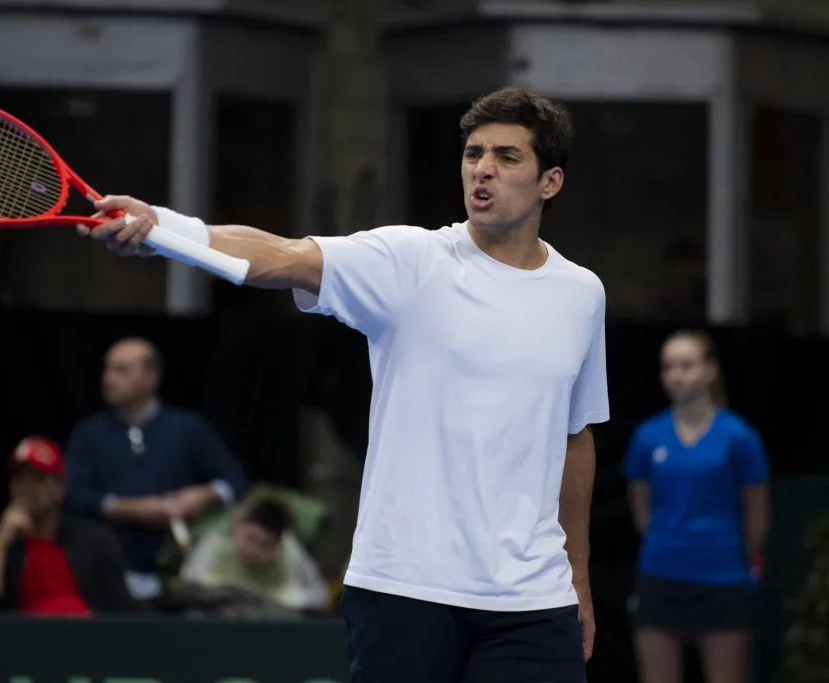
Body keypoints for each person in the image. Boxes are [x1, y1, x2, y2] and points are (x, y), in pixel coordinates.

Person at [79, 87, 608, 683]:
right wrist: (163, 228)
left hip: (533, 603)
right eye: (473, 153)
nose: (482, 168)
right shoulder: (410, 260)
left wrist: (578, 579)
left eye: (507, 157)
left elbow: (574, 435)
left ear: (550, 182)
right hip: (405, 591)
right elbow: (281, 255)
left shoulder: (582, 294)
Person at [624, 330, 770, 683]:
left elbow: (758, 515)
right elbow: (641, 508)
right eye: (668, 366)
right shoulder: (647, 437)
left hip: (722, 581)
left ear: (710, 370)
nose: (676, 374)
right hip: (660, 578)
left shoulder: (739, 437)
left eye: (687, 365)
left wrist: (736, 558)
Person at [65, 337, 247, 601]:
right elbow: (73, 494)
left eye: (121, 370)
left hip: (176, 572)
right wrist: (134, 508)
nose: (108, 379)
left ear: (151, 376)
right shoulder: (89, 433)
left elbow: (234, 481)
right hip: (105, 573)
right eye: (107, 369)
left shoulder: (187, 428)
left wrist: (202, 495)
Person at [0, 436, 134, 615]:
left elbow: (121, 612)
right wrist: (1, 540)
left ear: (60, 488)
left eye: (38, 478)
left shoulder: (95, 541)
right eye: (19, 479)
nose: (27, 487)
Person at [179, 492, 330, 614]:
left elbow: (318, 599)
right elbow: (189, 583)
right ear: (238, 526)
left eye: (265, 545)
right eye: (251, 539)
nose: (254, 551)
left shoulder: (290, 551)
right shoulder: (216, 542)